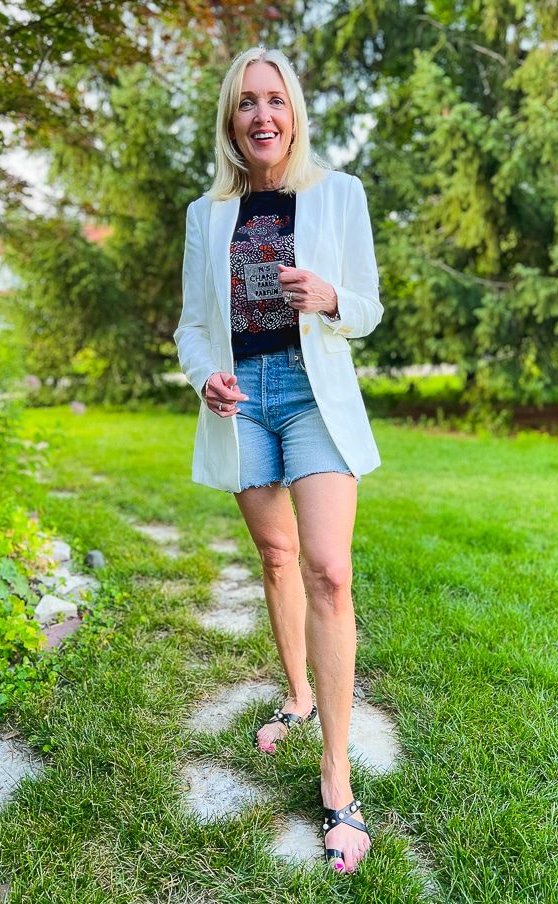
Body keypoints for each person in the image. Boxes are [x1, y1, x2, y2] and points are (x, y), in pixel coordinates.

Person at [175, 46, 382, 873]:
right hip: (245, 401)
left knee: (330, 570)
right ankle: (297, 695)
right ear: (231, 121)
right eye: (246, 104)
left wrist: (331, 298)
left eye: (276, 101)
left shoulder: (337, 196)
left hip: (312, 393)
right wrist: (205, 379)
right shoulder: (208, 215)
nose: (263, 116)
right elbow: (194, 324)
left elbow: (366, 306)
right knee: (276, 556)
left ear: (293, 112)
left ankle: (337, 778)